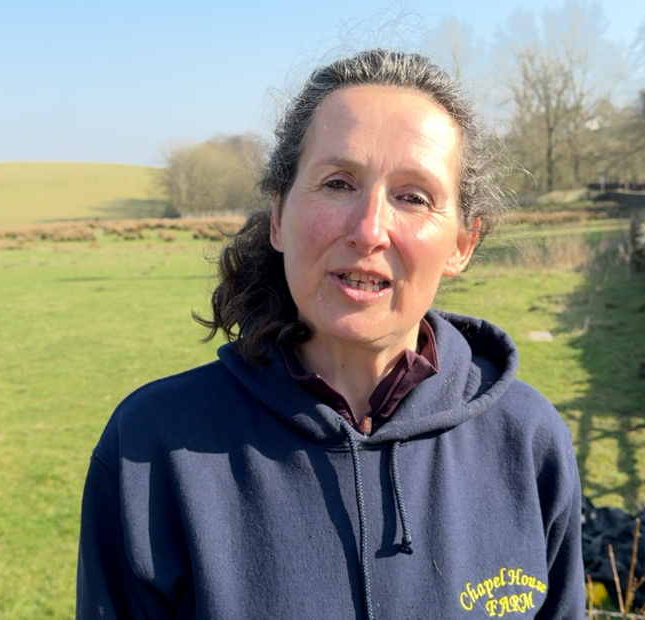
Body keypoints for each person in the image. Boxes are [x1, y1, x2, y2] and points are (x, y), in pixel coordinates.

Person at [77, 48, 585, 619]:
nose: (369, 229)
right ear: (278, 216)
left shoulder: (527, 439)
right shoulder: (153, 448)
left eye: (413, 197)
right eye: (339, 183)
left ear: (462, 245)